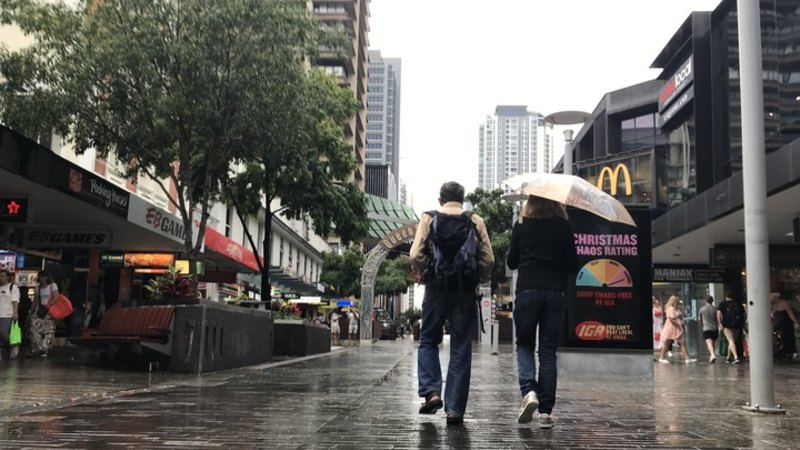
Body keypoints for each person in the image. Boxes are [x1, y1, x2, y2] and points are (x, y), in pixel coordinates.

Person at [410, 181, 493, 425]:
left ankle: (432, 392)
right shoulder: (475, 220)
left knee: (428, 340)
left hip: (436, 289)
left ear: (440, 200)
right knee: (460, 347)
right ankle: (455, 410)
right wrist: (478, 277)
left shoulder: (429, 218)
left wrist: (424, 271)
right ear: (463, 199)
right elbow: (488, 259)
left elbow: (415, 254)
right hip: (465, 291)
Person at [506, 195, 578, 429]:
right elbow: (573, 264)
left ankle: (529, 392)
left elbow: (512, 261)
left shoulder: (522, 225)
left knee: (525, 344)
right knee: (547, 350)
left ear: (531, 203)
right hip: (555, 292)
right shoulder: (563, 226)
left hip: (527, 290)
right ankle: (546, 412)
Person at [658, 295, 696, 364]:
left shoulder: (677, 309)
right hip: (671, 327)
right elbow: (671, 319)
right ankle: (661, 357)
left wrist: (681, 324)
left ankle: (687, 358)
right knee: (668, 343)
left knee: (682, 343)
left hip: (677, 328)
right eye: (677, 301)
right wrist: (679, 325)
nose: (678, 302)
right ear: (674, 301)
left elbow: (679, 317)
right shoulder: (670, 309)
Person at [28, 270, 58, 358]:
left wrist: (48, 306)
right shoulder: (38, 288)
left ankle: (44, 349)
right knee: (34, 329)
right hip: (39, 309)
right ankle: (38, 347)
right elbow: (35, 300)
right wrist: (31, 311)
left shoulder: (53, 286)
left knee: (48, 331)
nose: (42, 279)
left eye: (44, 277)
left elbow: (56, 297)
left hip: (49, 310)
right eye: (40, 277)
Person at [717, 289, 745, 364]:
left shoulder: (722, 304)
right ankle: (728, 357)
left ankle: (735, 357)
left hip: (727, 325)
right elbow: (743, 314)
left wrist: (720, 324)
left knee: (730, 341)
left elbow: (718, 314)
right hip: (737, 326)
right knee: (732, 341)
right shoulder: (738, 304)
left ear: (725, 296)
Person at [771, 289, 799, 361]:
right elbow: (791, 314)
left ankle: (784, 352)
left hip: (780, 322)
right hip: (787, 322)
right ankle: (790, 352)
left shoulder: (776, 305)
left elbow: (772, 314)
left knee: (783, 337)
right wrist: (796, 322)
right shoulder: (786, 303)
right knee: (790, 336)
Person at [0, 269, 20, 361]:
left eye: (3, 276)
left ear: (8, 277)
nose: (1, 278)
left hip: (7, 313)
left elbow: (15, 301)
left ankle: (14, 344)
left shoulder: (12, 287)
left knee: (3, 332)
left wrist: (15, 312)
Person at [698, 296, 719, 362]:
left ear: (705, 301)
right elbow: (718, 318)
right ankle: (712, 355)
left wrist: (702, 325)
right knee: (712, 342)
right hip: (714, 328)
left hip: (706, 328)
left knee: (709, 342)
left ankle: (712, 354)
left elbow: (699, 319)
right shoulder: (715, 309)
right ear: (712, 301)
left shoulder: (702, 309)